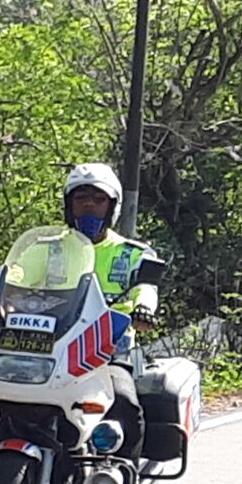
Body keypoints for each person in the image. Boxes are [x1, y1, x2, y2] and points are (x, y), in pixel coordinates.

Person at [63, 163, 160, 462]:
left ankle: (121, 476)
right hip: (54, 348)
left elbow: (146, 287)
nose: (89, 205)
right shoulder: (51, 248)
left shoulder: (132, 253)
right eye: (81, 198)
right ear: (69, 205)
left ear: (112, 207)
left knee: (124, 401)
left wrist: (144, 307)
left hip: (109, 351)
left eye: (98, 199)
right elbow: (17, 275)